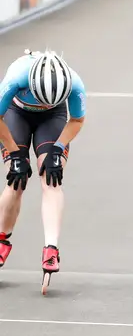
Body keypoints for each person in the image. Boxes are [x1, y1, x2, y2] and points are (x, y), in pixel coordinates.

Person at [0, 49, 86, 293]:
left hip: (53, 118)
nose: (44, 103)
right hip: (16, 113)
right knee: (16, 178)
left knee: (52, 177)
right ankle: (1, 239)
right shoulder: (16, 77)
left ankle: (51, 248)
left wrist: (58, 148)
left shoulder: (74, 83)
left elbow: (77, 120)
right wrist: (15, 154)